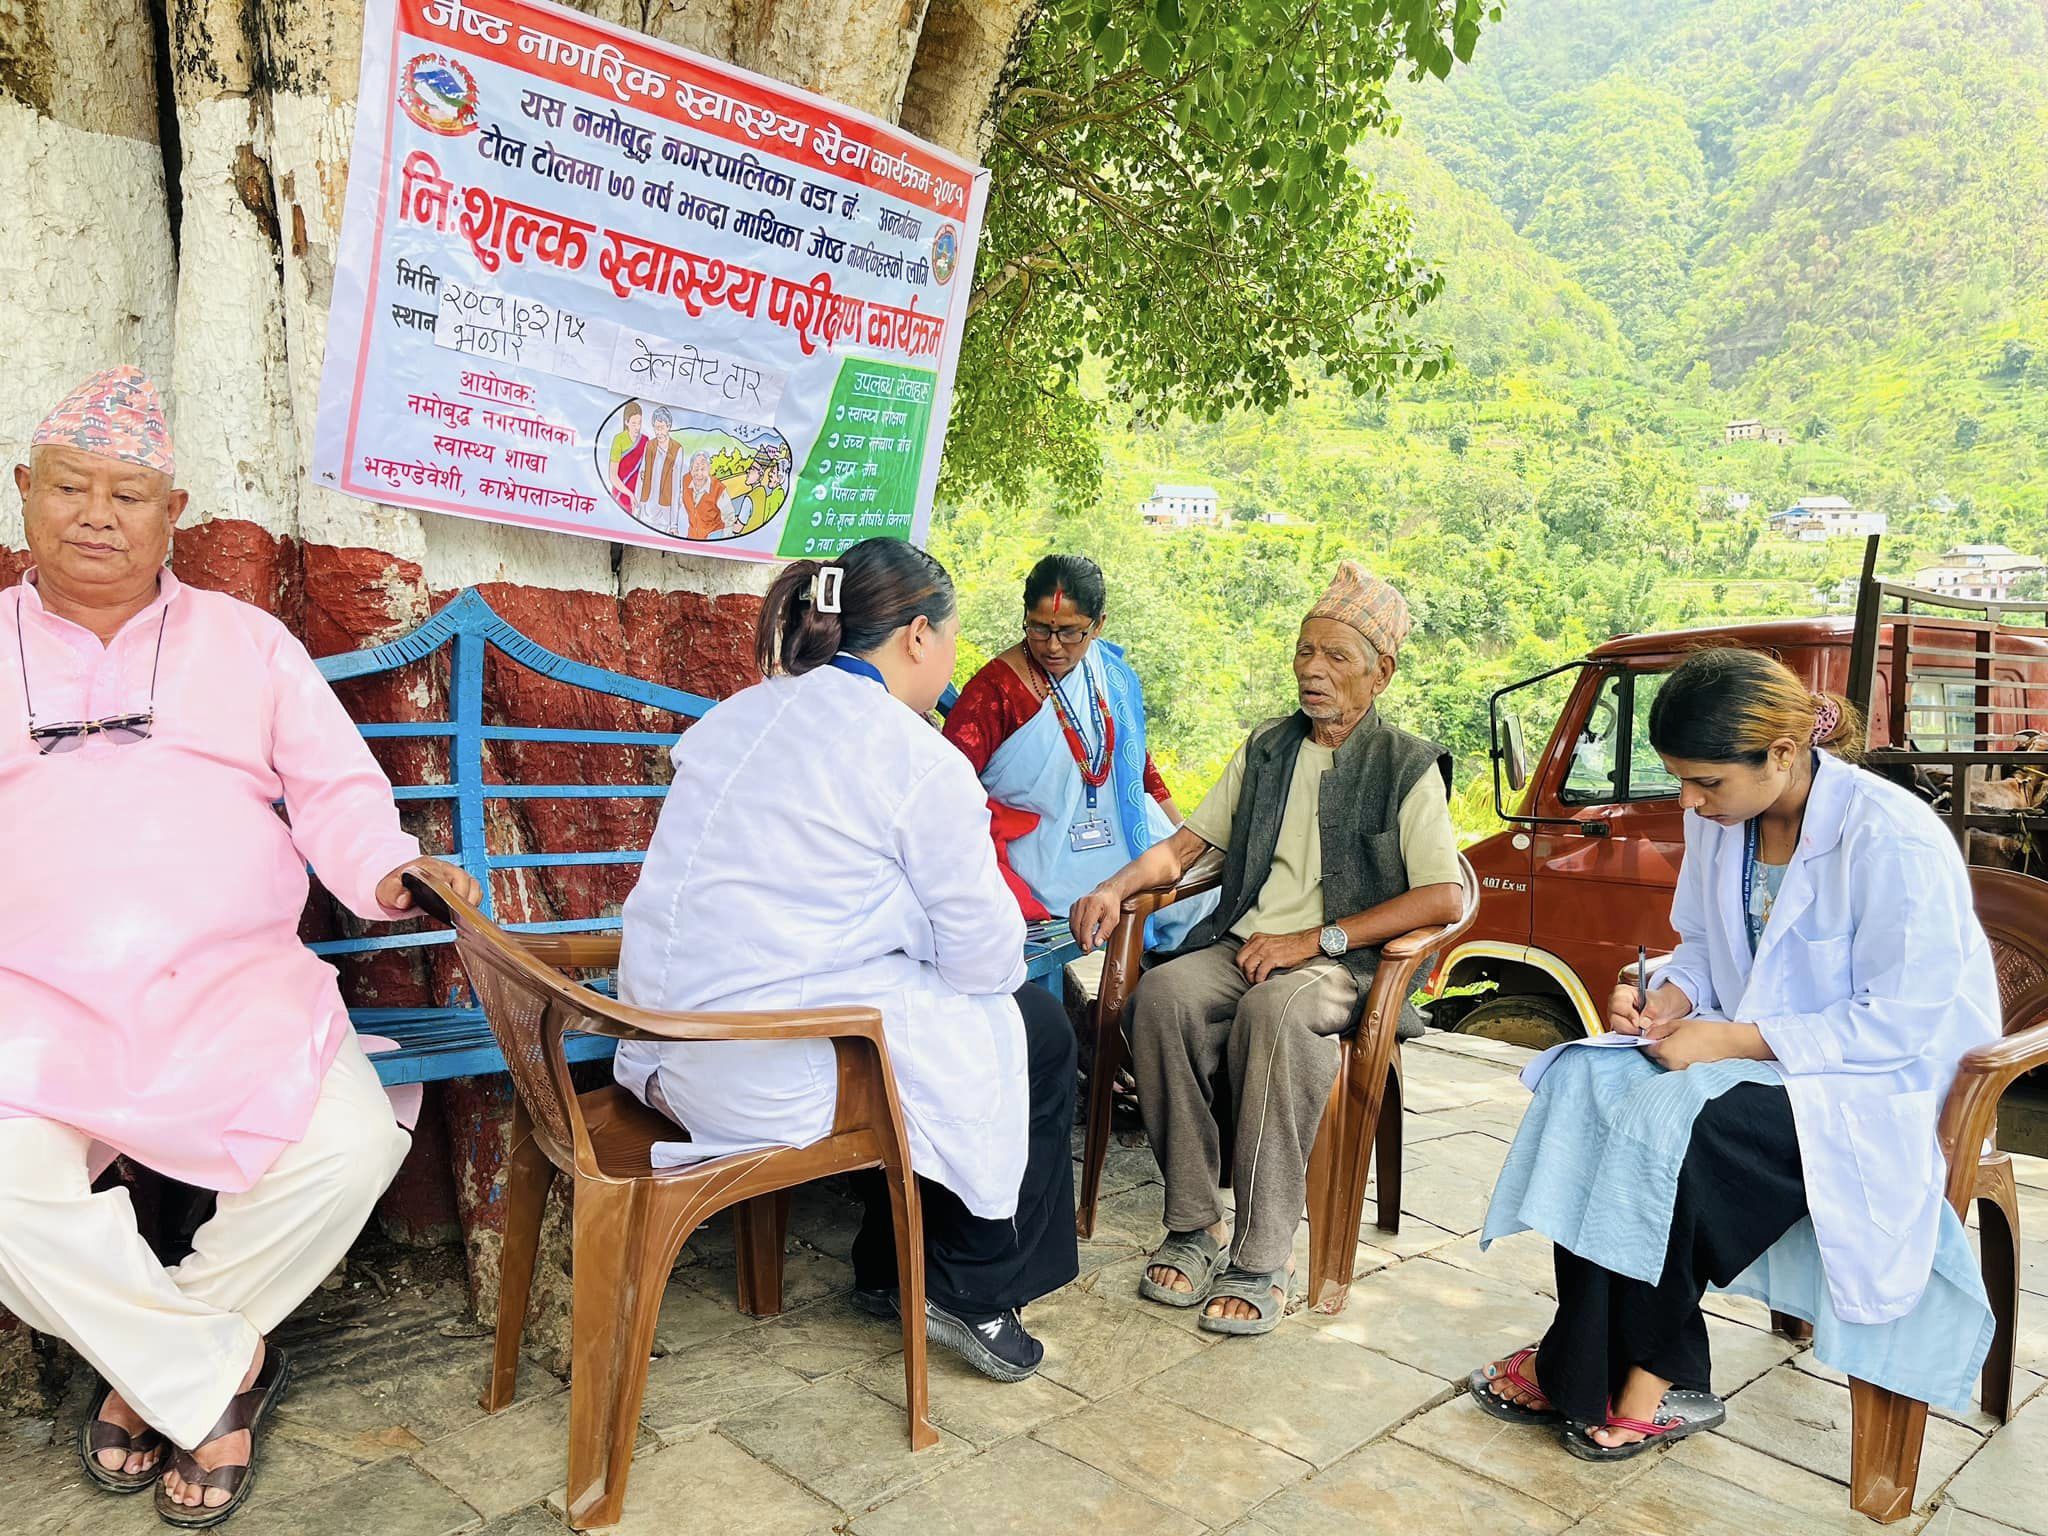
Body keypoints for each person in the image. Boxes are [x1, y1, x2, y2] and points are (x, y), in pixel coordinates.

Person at [0, 367, 482, 1524]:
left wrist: (391, 867)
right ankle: (212, 1375)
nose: (97, 514)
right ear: (25, 492)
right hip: (33, 1004)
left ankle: (144, 1372)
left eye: (129, 493)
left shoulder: (246, 641)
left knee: (350, 1145)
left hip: (230, 989)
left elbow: (338, 796)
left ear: (175, 514)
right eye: (70, 486)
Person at [1469, 647, 1999, 1459]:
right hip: (1769, 1058)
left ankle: (1644, 1380)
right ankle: (1593, 1364)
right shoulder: (1721, 820)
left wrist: (1735, 1038)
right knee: (1590, 1085)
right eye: (1681, 779)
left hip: (1876, 1081)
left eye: (1707, 782)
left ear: (1782, 755)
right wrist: (1668, 999)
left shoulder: (1892, 837)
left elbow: (1903, 1022)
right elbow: (1702, 947)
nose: (1689, 800)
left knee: (1690, 1132)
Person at [614, 539, 1078, 1381]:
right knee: (1034, 1029)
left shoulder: (743, 713)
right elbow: (984, 958)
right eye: (951, 640)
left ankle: (885, 1267)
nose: (951, 663)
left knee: (917, 1026)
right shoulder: (914, 757)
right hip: (755, 1065)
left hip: (661, 1034)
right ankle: (973, 1286)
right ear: (915, 638)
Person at [1070, 562, 1462, 1334]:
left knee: (1277, 1017)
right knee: (1164, 999)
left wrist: (1316, 939)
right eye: (1304, 652)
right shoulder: (1271, 748)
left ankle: (1262, 1251)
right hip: (1247, 942)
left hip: (1343, 962)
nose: (1312, 670)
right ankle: (1194, 1222)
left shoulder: (1406, 765)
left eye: (1336, 657)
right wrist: (1116, 888)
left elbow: (1443, 896)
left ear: (1381, 673)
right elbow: (1185, 849)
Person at [942, 553, 1216, 950]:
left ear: (1098, 625)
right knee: (1101, 908)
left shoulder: (1110, 674)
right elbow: (949, 788)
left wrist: (1180, 837)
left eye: (1070, 632)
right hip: (1041, 854)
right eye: (1039, 629)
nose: (1053, 646)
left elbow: (1137, 764)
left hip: (1122, 833)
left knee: (1202, 895)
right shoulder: (995, 692)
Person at [635, 408, 683, 534]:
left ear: (669, 426)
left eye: (661, 428)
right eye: (656, 428)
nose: (658, 432)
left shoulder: (677, 449)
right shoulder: (650, 445)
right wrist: (636, 508)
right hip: (646, 509)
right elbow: (641, 475)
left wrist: (674, 524)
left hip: (664, 512)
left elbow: (676, 487)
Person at [679, 449, 739, 540]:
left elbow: (729, 518)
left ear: (709, 469)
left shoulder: (718, 489)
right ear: (690, 469)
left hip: (713, 539)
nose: (699, 474)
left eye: (703, 469)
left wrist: (724, 540)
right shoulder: (685, 481)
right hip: (692, 538)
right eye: (696, 469)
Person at [606, 400, 647, 512]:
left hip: (639, 496)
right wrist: (629, 494)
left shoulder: (645, 441)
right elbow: (613, 475)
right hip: (620, 494)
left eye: (639, 423)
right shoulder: (619, 440)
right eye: (634, 423)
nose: (637, 427)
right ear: (626, 422)